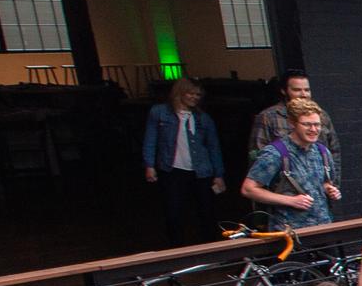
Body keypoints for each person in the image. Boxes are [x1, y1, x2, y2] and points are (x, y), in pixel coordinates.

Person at [141, 77, 226, 244]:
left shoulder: (203, 118)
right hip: (172, 169)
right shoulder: (159, 113)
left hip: (201, 170)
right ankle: (177, 246)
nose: (195, 98)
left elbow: (213, 147)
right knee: (173, 211)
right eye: (191, 94)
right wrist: (149, 165)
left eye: (198, 95)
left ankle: (209, 245)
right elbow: (150, 140)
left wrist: (219, 174)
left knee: (206, 210)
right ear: (180, 93)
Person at [240, 97, 343, 228]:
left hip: (323, 226)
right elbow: (248, 189)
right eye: (306, 124)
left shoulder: (323, 151)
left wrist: (329, 189)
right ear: (292, 123)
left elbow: (323, 183)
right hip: (290, 231)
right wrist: (290, 201)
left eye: (317, 125)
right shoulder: (275, 153)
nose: (313, 129)